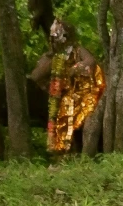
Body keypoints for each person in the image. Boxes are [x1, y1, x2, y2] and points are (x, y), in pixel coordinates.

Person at [31, 18, 104, 158]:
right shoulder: (49, 57)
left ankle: (80, 153)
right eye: (52, 36)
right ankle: (62, 154)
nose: (55, 39)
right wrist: (52, 62)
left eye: (58, 35)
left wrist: (74, 69)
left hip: (81, 95)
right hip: (57, 98)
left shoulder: (77, 51)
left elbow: (90, 61)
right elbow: (35, 76)